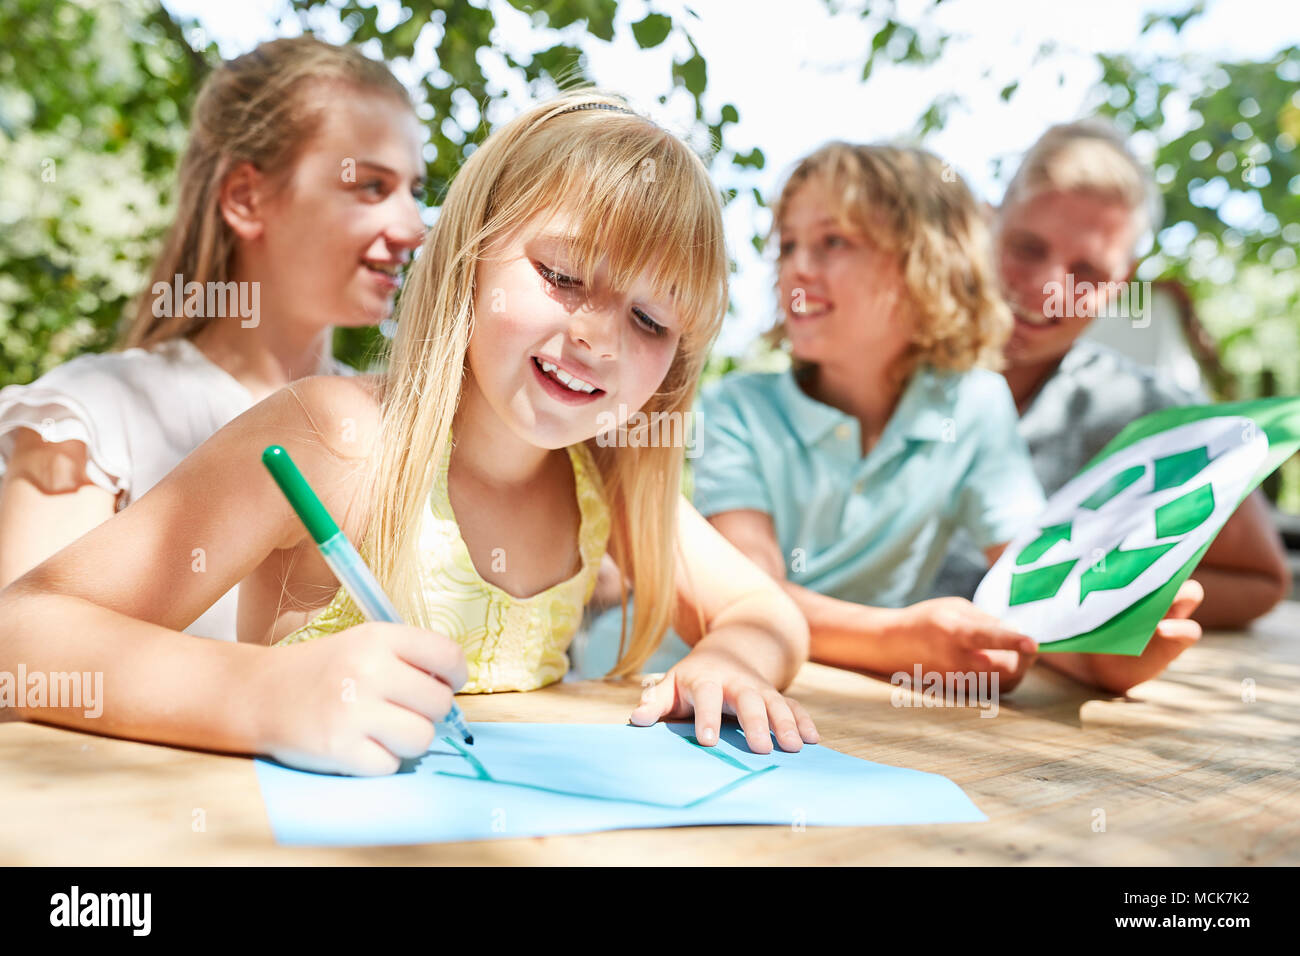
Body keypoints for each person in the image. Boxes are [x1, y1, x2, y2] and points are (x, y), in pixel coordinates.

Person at [0, 91, 818, 776]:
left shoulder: (604, 480)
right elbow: (21, 637)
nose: (600, 339)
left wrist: (731, 659)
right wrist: (260, 695)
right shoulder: (336, 437)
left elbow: (760, 606)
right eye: (563, 276)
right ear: (468, 255)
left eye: (648, 319)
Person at [692, 141, 1204, 695]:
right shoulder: (736, 407)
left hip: (837, 706)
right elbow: (745, 594)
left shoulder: (974, 406)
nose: (797, 266)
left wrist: (1104, 645)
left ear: (925, 265)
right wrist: (894, 638)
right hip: (690, 689)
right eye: (788, 244)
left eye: (832, 241)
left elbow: (1032, 581)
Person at [0, 36, 426, 640]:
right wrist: (279, 692)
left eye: (416, 190)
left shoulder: (399, 426)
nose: (413, 227)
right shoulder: (87, 416)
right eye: (371, 187)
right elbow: (16, 674)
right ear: (247, 199)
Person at [930, 120, 1290, 640]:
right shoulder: (884, 367)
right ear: (987, 226)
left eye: (1087, 273)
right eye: (1028, 248)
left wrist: (1082, 597)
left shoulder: (1146, 410)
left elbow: (1259, 581)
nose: (1049, 288)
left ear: (1123, 281)